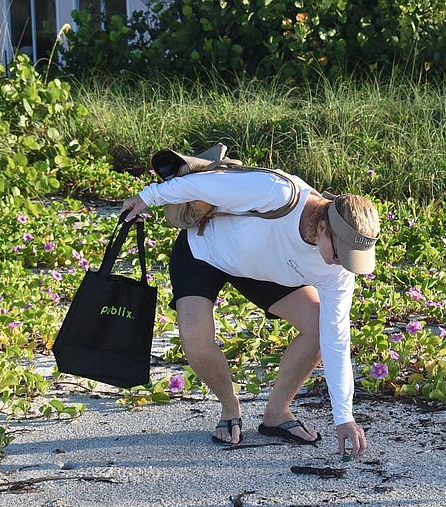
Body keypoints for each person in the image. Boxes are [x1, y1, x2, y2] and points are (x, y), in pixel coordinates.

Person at [121, 164, 380, 458]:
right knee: (195, 341)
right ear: (322, 228)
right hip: (206, 252)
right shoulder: (277, 192)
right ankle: (230, 408)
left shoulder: (339, 271)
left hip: (263, 271)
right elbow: (201, 184)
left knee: (319, 327)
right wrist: (148, 196)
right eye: (339, 255)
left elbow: (337, 339)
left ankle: (277, 414)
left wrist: (343, 417)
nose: (341, 264)